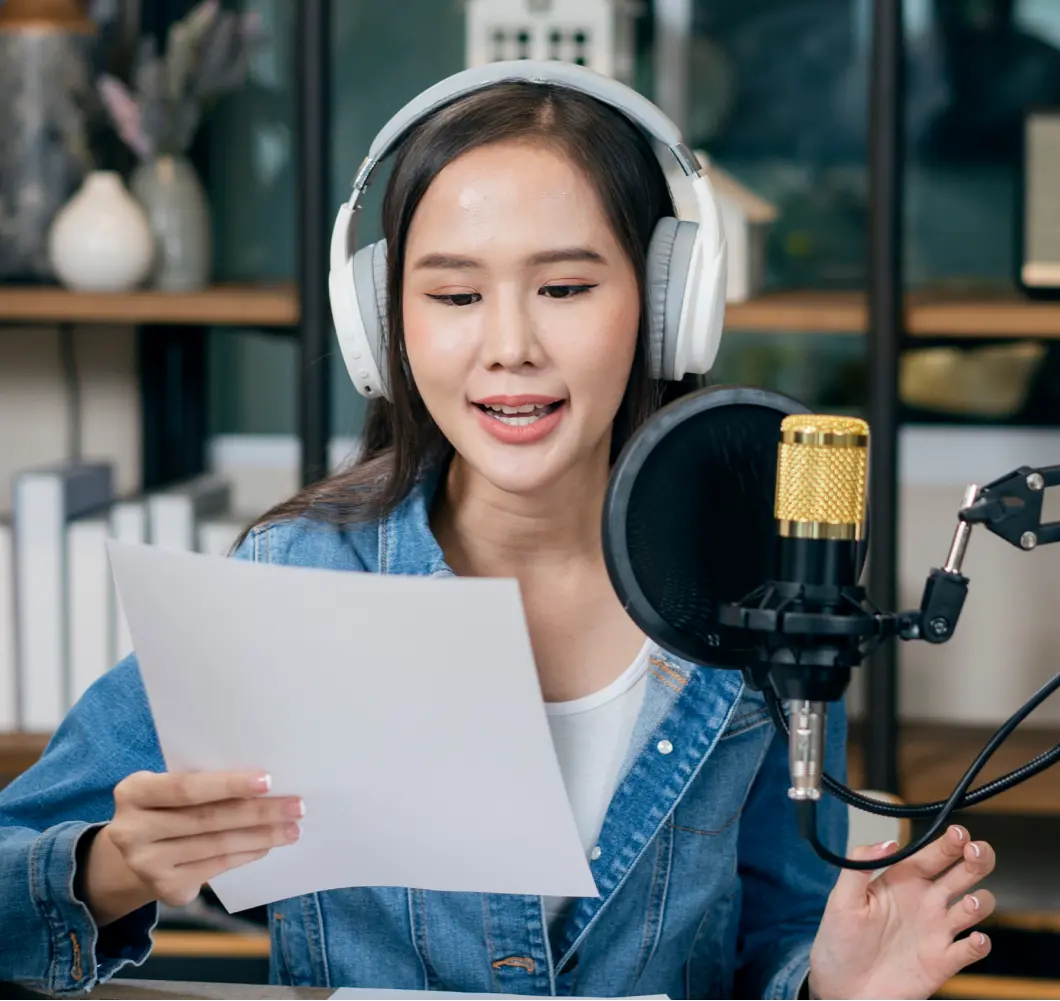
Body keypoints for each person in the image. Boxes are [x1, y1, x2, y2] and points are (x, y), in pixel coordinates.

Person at [0, 62, 996, 1000]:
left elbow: (776, 926)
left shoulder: (755, 593)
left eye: (564, 289)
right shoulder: (295, 580)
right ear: (382, 325)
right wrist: (113, 866)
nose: (510, 345)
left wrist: (824, 979)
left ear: (664, 308)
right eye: (454, 295)